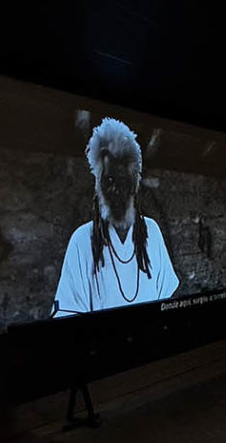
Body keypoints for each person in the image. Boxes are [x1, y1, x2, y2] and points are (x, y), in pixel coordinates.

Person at [52, 118, 178, 316]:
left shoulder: (152, 232)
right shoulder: (82, 240)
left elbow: (165, 302)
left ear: (133, 186)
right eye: (108, 180)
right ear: (98, 186)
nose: (114, 189)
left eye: (121, 180)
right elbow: (68, 312)